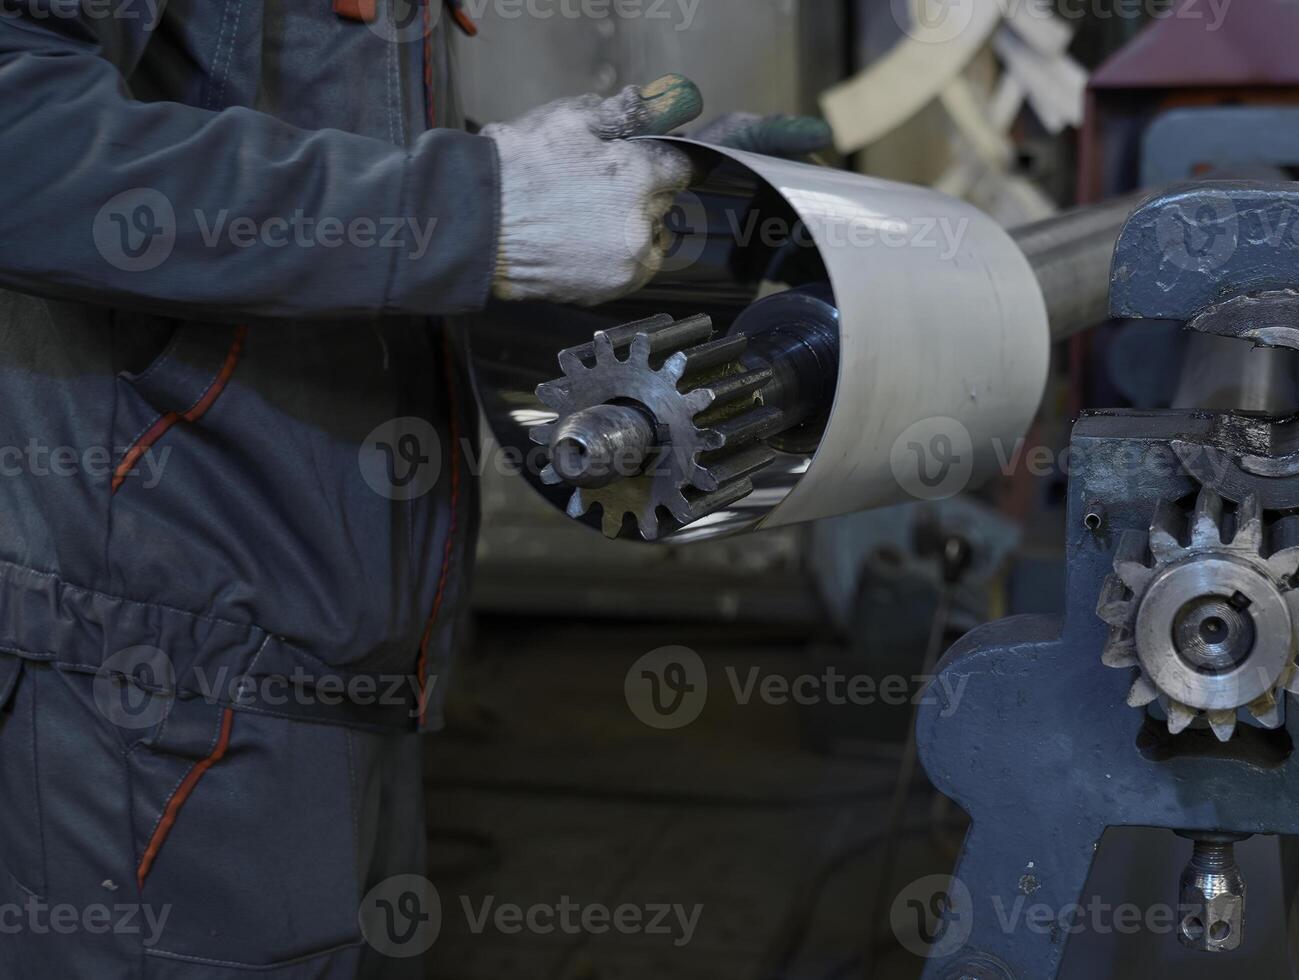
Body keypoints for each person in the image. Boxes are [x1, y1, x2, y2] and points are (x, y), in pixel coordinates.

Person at [0, 3, 826, 976]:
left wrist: (607, 187)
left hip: (349, 669)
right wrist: (471, 211)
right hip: (159, 681)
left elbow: (290, 141)